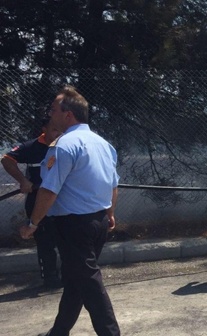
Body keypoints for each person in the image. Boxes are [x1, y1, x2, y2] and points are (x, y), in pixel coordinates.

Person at [19, 85, 121, 336]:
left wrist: (32, 224)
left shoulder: (63, 146)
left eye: (53, 109)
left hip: (74, 227)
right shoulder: (103, 144)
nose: (49, 114)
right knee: (76, 281)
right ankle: (59, 331)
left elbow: (49, 190)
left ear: (68, 115)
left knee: (89, 283)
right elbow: (113, 185)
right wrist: (109, 214)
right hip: (98, 223)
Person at [2, 115, 63, 288]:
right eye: (54, 129)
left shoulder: (66, 146)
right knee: (45, 241)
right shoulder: (32, 147)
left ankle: (70, 276)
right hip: (38, 200)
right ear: (44, 129)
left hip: (62, 201)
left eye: (61, 129)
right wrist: (23, 180)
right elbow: (7, 159)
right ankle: (50, 278)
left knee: (66, 239)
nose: (58, 133)